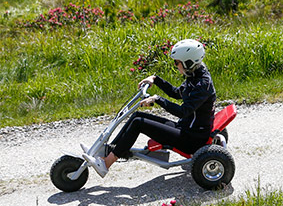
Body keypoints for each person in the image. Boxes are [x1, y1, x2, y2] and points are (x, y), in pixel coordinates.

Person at [81, 39, 216, 177]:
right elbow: (176, 93)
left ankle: (106, 164)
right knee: (137, 116)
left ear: (188, 62)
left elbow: (183, 111)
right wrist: (155, 79)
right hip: (185, 128)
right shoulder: (194, 75)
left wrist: (158, 99)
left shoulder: (202, 84)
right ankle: (108, 151)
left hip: (192, 139)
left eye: (177, 62)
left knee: (139, 124)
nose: (176, 65)